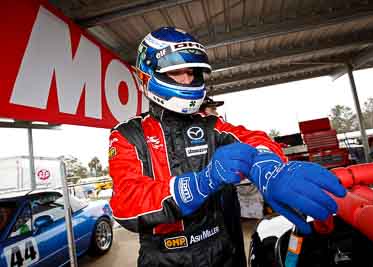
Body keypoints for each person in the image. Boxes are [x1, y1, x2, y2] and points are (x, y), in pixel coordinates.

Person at [108, 27, 346, 267]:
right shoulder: (128, 134)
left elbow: (253, 138)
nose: (188, 79)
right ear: (148, 75)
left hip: (221, 249)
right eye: (177, 72)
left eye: (191, 72)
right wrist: (200, 184)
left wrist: (269, 167)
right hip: (164, 257)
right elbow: (126, 204)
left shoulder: (211, 126)